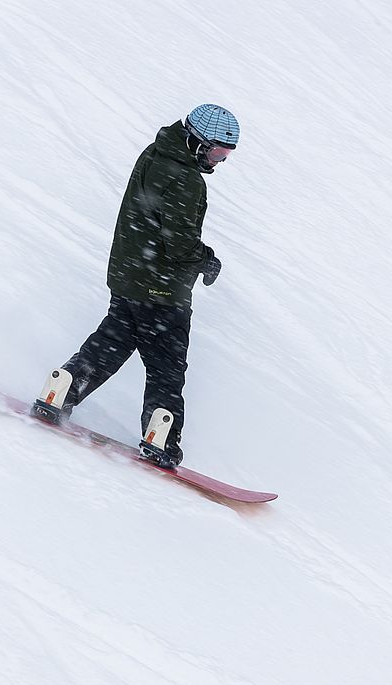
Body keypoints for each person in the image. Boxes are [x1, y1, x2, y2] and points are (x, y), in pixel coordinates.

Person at [32, 104, 240, 467]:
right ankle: (161, 438)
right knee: (166, 367)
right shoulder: (187, 179)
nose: (220, 160)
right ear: (196, 141)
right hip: (163, 291)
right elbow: (179, 244)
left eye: (226, 153)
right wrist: (206, 259)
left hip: (130, 276)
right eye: (217, 151)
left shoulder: (156, 152)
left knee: (111, 344)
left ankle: (61, 390)